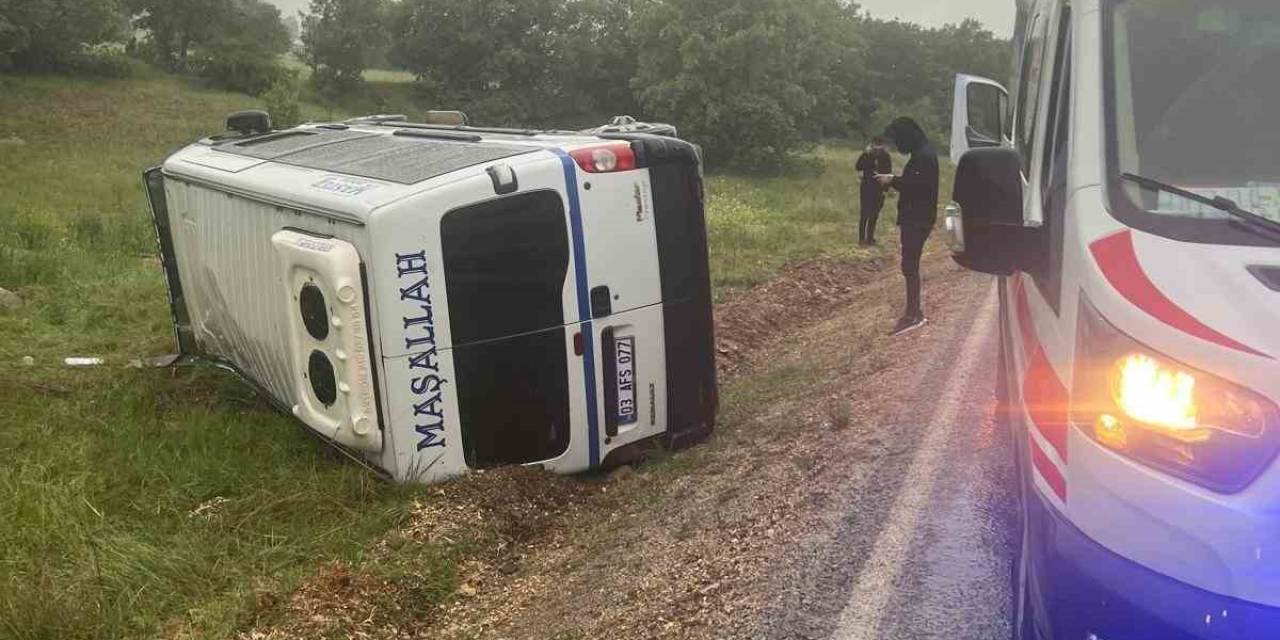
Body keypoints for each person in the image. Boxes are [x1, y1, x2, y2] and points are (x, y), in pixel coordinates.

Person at [875, 117, 939, 337]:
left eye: (897, 140)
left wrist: (892, 180)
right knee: (909, 265)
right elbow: (916, 183)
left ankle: (914, 314)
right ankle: (912, 312)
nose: (896, 146)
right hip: (917, 218)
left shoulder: (924, 156)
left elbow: (916, 187)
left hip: (918, 219)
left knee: (910, 266)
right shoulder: (922, 153)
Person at [854, 136, 892, 245]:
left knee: (875, 213)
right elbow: (858, 167)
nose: (878, 148)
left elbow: (888, 173)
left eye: (880, 145)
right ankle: (861, 239)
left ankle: (870, 238)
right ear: (872, 145)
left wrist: (886, 189)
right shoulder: (867, 155)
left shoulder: (886, 156)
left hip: (879, 187)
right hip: (867, 186)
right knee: (864, 213)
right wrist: (865, 155)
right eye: (875, 145)